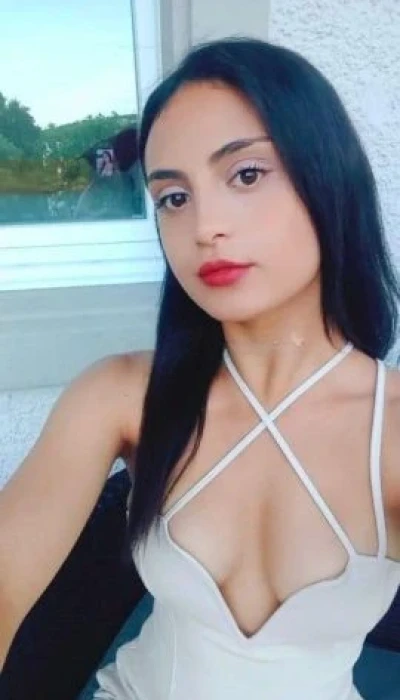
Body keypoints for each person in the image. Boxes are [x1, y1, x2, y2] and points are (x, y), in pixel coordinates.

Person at [1, 37, 400, 700]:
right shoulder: (122, 396)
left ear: (328, 176)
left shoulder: (389, 434)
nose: (204, 226)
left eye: (246, 175)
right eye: (173, 197)